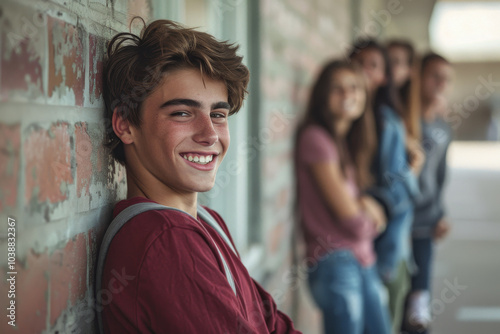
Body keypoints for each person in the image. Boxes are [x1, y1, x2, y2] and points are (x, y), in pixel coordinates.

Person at [99, 18, 301, 333]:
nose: (209, 135)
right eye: (182, 113)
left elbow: (273, 323)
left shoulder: (208, 222)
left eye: (218, 115)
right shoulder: (164, 240)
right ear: (125, 124)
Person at [295, 60, 391, 334]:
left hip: (361, 258)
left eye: (354, 88)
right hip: (334, 261)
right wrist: (370, 215)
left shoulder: (343, 144)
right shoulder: (316, 139)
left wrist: (365, 207)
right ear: (323, 95)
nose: (348, 95)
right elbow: (354, 221)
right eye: (337, 89)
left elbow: (356, 211)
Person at [349, 39, 422, 333]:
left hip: (386, 247)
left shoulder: (388, 122)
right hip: (352, 242)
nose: (363, 71)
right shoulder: (343, 119)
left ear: (382, 78)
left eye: (373, 66)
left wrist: (372, 202)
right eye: (358, 63)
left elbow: (401, 196)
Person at [403, 53, 454, 332]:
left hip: (426, 221)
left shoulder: (443, 128)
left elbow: (440, 176)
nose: (440, 84)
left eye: (446, 79)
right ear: (419, 76)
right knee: (397, 295)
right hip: (399, 218)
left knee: (419, 304)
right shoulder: (403, 120)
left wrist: (441, 214)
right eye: (435, 76)